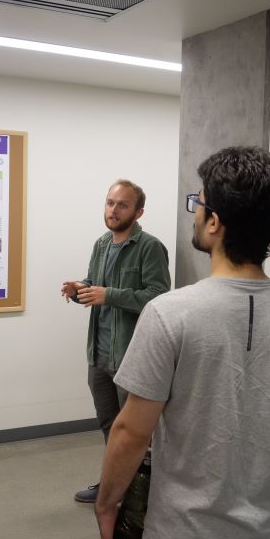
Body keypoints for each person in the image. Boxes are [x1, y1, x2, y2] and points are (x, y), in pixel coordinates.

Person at [95, 147, 270, 539]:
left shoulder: (169, 314)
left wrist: (108, 503)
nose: (194, 211)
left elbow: (131, 431)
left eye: (197, 203)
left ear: (214, 222)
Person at [61, 179, 170, 503]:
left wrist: (109, 294)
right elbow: (96, 287)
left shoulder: (150, 247)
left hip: (131, 355)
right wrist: (79, 289)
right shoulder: (101, 244)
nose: (113, 210)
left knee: (135, 433)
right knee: (109, 424)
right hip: (100, 354)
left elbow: (159, 296)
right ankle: (113, 485)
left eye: (122, 204)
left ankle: (141, 495)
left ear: (138, 212)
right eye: (110, 202)